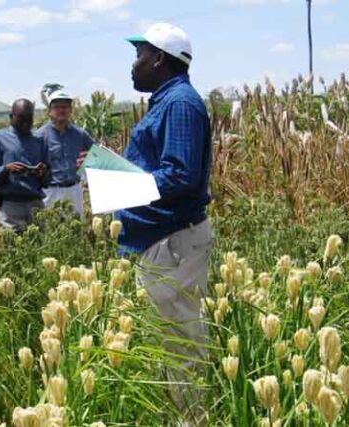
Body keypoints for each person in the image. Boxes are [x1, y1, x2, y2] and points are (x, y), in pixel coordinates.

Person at [116, 23, 213, 423]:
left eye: (139, 55)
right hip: (163, 242)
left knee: (181, 347)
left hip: (173, 244)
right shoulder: (168, 102)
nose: (133, 64)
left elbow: (180, 175)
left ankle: (191, 420)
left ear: (159, 58)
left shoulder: (180, 104)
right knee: (170, 344)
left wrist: (122, 186)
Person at [0, 99, 50, 231]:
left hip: (35, 204)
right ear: (11, 117)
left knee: (41, 248)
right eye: (21, 118)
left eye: (29, 118)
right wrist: (6, 169)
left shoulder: (39, 140)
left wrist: (43, 172)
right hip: (10, 206)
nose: (25, 123)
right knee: (13, 248)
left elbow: (48, 178)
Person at [36, 89, 94, 216]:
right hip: (50, 191)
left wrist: (87, 160)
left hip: (74, 190)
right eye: (57, 107)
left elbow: (96, 154)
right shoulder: (40, 136)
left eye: (65, 107)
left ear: (70, 110)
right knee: (51, 229)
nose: (62, 110)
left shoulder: (80, 135)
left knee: (76, 228)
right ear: (49, 111)